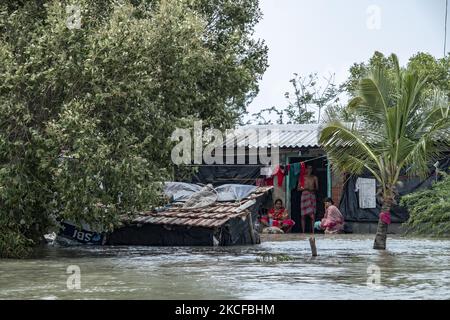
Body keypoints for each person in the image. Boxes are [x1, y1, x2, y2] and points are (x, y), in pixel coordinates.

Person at [298, 165, 318, 233]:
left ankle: (313, 231)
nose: (310, 170)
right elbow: (298, 188)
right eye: (308, 168)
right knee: (303, 215)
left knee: (312, 215)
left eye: (311, 168)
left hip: (312, 195)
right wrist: (305, 188)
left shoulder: (314, 177)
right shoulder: (302, 178)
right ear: (305, 169)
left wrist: (312, 189)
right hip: (304, 196)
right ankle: (303, 232)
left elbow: (317, 188)